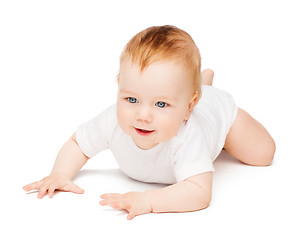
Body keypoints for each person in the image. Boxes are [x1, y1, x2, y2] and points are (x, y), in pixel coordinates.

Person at [23, 25, 276, 220]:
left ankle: (206, 91)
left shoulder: (188, 136)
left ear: (188, 108)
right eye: (132, 98)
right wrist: (59, 173)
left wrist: (148, 201)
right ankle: (199, 83)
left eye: (161, 104)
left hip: (220, 114)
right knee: (177, 91)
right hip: (191, 99)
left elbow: (199, 192)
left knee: (264, 154)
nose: (143, 115)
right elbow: (78, 144)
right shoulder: (112, 119)